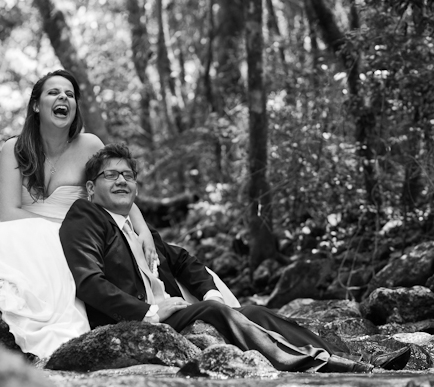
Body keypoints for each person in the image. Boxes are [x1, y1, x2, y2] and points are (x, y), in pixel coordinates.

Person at [60, 143, 411, 373]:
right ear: (91, 189)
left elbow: (184, 261)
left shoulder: (140, 232)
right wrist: (150, 312)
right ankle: (312, 363)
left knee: (252, 311)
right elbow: (89, 281)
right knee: (218, 312)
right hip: (139, 321)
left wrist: (210, 290)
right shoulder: (85, 218)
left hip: (178, 313)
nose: (121, 180)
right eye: (111, 175)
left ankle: (354, 362)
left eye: (128, 175)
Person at [0, 69, 159, 358]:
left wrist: (144, 231)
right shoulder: (14, 149)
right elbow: (8, 211)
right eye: (54, 92)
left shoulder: (90, 145)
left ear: (74, 108)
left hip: (79, 235)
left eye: (70, 94)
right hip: (24, 231)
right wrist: (52, 233)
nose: (63, 97)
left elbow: (115, 192)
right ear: (36, 105)